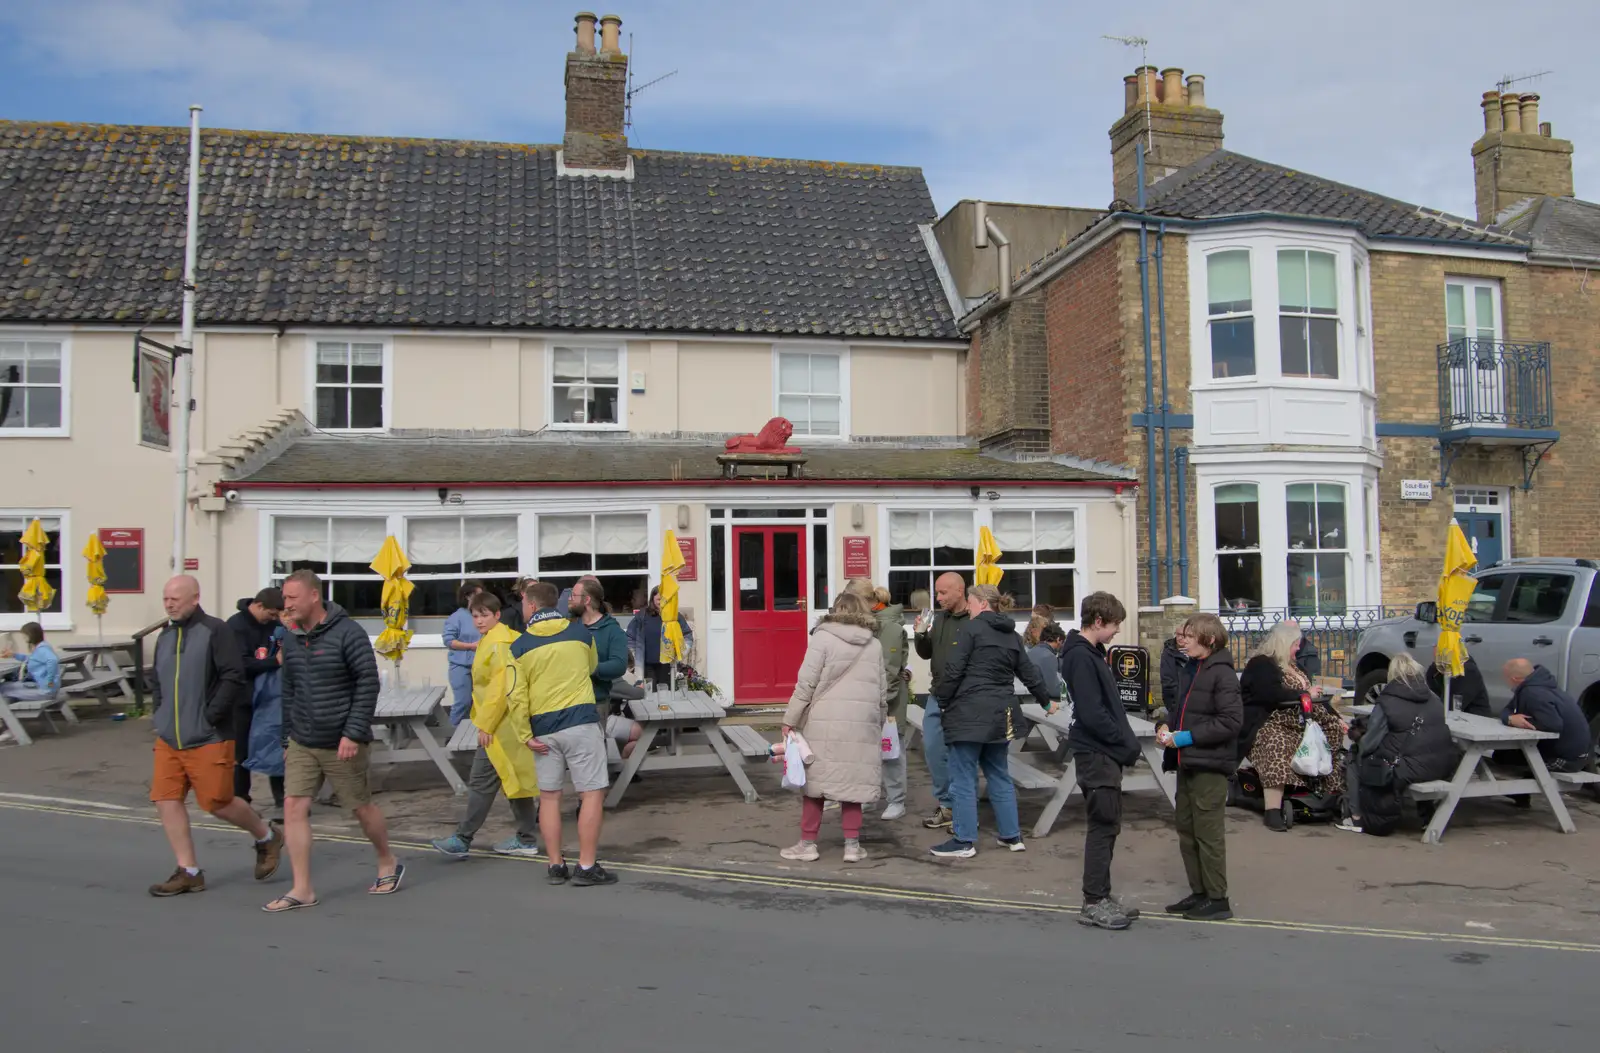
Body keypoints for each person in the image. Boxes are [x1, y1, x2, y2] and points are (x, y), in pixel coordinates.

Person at [266, 569, 399, 912]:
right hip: (302, 739)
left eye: (293, 598)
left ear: (314, 596)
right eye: (285, 599)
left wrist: (353, 733)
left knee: (360, 807)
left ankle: (387, 860)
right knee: (293, 806)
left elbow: (367, 684)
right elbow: (289, 690)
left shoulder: (348, 633)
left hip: (342, 739)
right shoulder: (292, 637)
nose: (287, 604)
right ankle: (302, 889)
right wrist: (285, 739)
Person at [146, 575, 284, 897]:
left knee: (218, 802)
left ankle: (267, 836)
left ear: (195, 598)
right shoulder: (165, 637)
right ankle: (189, 871)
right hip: (169, 736)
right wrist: (160, 714)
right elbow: (157, 682)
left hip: (209, 735)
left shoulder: (216, 630)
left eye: (175, 599)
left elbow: (233, 676)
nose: (169, 604)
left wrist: (210, 717)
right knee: (166, 799)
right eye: (166, 598)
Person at [931, 584, 1054, 858]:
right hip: (1002, 713)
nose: (969, 608)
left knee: (963, 777)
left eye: (971, 603)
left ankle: (964, 841)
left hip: (968, 712)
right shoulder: (1012, 636)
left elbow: (953, 670)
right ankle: (1011, 836)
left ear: (983, 604)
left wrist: (942, 700)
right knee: (999, 773)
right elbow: (1030, 673)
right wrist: (1045, 701)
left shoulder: (970, 630)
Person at [507, 581, 617, 886]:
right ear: (556, 603)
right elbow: (593, 665)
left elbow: (515, 695)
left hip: (542, 730)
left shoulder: (518, 647)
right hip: (581, 721)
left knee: (550, 798)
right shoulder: (581, 634)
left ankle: (555, 865)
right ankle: (586, 865)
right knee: (592, 792)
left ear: (530, 606)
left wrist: (524, 734)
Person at [431, 591, 540, 860]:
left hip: (500, 726)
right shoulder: (495, 638)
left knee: (483, 782)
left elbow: (499, 689)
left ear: (497, 615)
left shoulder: (498, 643)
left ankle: (463, 838)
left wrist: (487, 725)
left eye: (484, 615)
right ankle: (526, 838)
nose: (479, 621)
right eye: (475, 615)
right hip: (506, 725)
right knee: (514, 781)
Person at [780, 592, 887, 863]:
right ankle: (852, 846)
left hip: (825, 720)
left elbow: (806, 683)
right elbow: (881, 692)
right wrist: (879, 720)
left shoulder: (822, 637)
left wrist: (790, 719)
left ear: (836, 609)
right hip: (862, 721)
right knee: (853, 785)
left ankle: (807, 844)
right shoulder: (873, 644)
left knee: (816, 786)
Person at [1157, 613, 1243, 922]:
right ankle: (1200, 893)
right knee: (1188, 830)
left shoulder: (1222, 674)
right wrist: (1165, 725)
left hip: (1209, 764)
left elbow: (1232, 721)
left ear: (1208, 640)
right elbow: (1181, 711)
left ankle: (1218, 899)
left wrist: (1187, 737)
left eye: (1190, 636)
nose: (1183, 641)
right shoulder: (1193, 668)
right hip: (1188, 762)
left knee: (1208, 834)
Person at [1062, 592, 1140, 929]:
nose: (1116, 633)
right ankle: (1093, 901)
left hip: (1101, 752)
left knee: (1108, 825)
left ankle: (1101, 895)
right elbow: (1093, 714)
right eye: (1114, 626)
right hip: (1097, 753)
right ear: (1098, 621)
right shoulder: (1081, 656)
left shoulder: (1089, 653)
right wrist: (1123, 742)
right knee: (1102, 826)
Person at [1239, 621, 1347, 831]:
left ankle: (1327, 793)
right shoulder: (1261, 664)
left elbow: (1315, 698)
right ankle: (1272, 809)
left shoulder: (1296, 666)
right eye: (1296, 644)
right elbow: (1270, 695)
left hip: (1302, 719)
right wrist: (1303, 694)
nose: (1299, 648)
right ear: (1284, 643)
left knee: (1331, 731)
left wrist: (1336, 716)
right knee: (1277, 742)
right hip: (1271, 720)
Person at [1340, 653, 1459, 836]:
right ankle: (1426, 816)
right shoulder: (1434, 698)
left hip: (1407, 770)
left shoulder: (1387, 702)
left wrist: (1357, 737)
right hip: (1442, 765)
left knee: (1355, 758)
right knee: (1417, 753)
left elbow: (1369, 744)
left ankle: (1356, 817)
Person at [842, 579, 912, 820]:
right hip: (867, 697)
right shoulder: (867, 623)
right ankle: (869, 796)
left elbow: (890, 671)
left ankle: (896, 800)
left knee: (891, 750)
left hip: (887, 700)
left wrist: (877, 702)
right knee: (868, 751)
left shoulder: (890, 627)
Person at [912, 571, 970, 831]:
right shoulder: (941, 619)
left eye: (943, 593)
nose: (938, 598)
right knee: (933, 747)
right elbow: (926, 654)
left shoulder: (974, 620)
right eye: (937, 593)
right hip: (938, 694)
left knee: (962, 754)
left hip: (965, 696)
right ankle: (947, 804)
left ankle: (962, 808)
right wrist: (921, 635)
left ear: (960, 590)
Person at [225, 586, 284, 806]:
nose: (274, 619)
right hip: (242, 697)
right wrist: (273, 662)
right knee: (241, 750)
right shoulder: (234, 626)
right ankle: (240, 798)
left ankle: (281, 798)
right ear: (259, 606)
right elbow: (239, 664)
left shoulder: (274, 626)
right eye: (271, 614)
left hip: (270, 697)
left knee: (275, 745)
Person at [1501, 658, 1591, 772]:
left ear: (1514, 679)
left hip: (1566, 760)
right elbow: (1507, 709)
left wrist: (1525, 723)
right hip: (1580, 756)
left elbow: (1552, 724)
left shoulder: (1533, 693)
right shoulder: (1541, 684)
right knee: (1503, 754)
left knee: (1503, 759)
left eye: (1505, 677)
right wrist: (1510, 718)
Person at [243, 616, 288, 811]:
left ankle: (289, 800)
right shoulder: (274, 639)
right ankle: (282, 800)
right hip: (273, 705)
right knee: (274, 752)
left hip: (282, 703)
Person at [571, 579, 628, 712]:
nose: (570, 599)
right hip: (569, 703)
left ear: (587, 600)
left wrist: (588, 667)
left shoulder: (612, 630)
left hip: (596, 703)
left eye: (574, 595)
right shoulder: (569, 626)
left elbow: (619, 665)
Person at [626, 585, 697, 688]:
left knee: (667, 695)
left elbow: (687, 635)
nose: (662, 602)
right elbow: (629, 637)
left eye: (664, 599)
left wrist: (682, 652)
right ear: (652, 599)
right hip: (647, 665)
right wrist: (634, 654)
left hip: (668, 665)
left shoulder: (675, 616)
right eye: (659, 599)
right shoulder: (642, 616)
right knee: (649, 696)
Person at [0, 622, 61, 726]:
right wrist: (13, 655)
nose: (23, 638)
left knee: (4, 693)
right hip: (38, 686)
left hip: (45, 691)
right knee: (4, 686)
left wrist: (50, 680)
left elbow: (53, 660)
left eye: (24, 636)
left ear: (32, 635)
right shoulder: (40, 648)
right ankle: (7, 725)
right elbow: (31, 659)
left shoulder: (42, 649)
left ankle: (10, 728)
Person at [443, 580, 485, 725]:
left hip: (481, 666)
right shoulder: (456, 617)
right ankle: (452, 734)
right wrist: (471, 646)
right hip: (461, 666)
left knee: (480, 704)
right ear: (468, 596)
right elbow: (448, 641)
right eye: (478, 595)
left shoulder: (482, 616)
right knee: (463, 702)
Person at [1425, 655, 1491, 718]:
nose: (1436, 652)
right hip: (1457, 717)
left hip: (1474, 719)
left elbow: (1450, 706)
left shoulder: (1467, 670)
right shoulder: (1437, 668)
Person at [1026, 622, 1066, 703]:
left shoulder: (1030, 652)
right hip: (1045, 704)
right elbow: (1053, 689)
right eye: (1062, 642)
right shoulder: (1048, 656)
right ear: (1058, 639)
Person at [1158, 627, 1191, 714]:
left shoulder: (1194, 652)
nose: (1180, 638)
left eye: (1183, 635)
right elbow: (1167, 680)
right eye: (1178, 634)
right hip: (1175, 700)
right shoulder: (1168, 653)